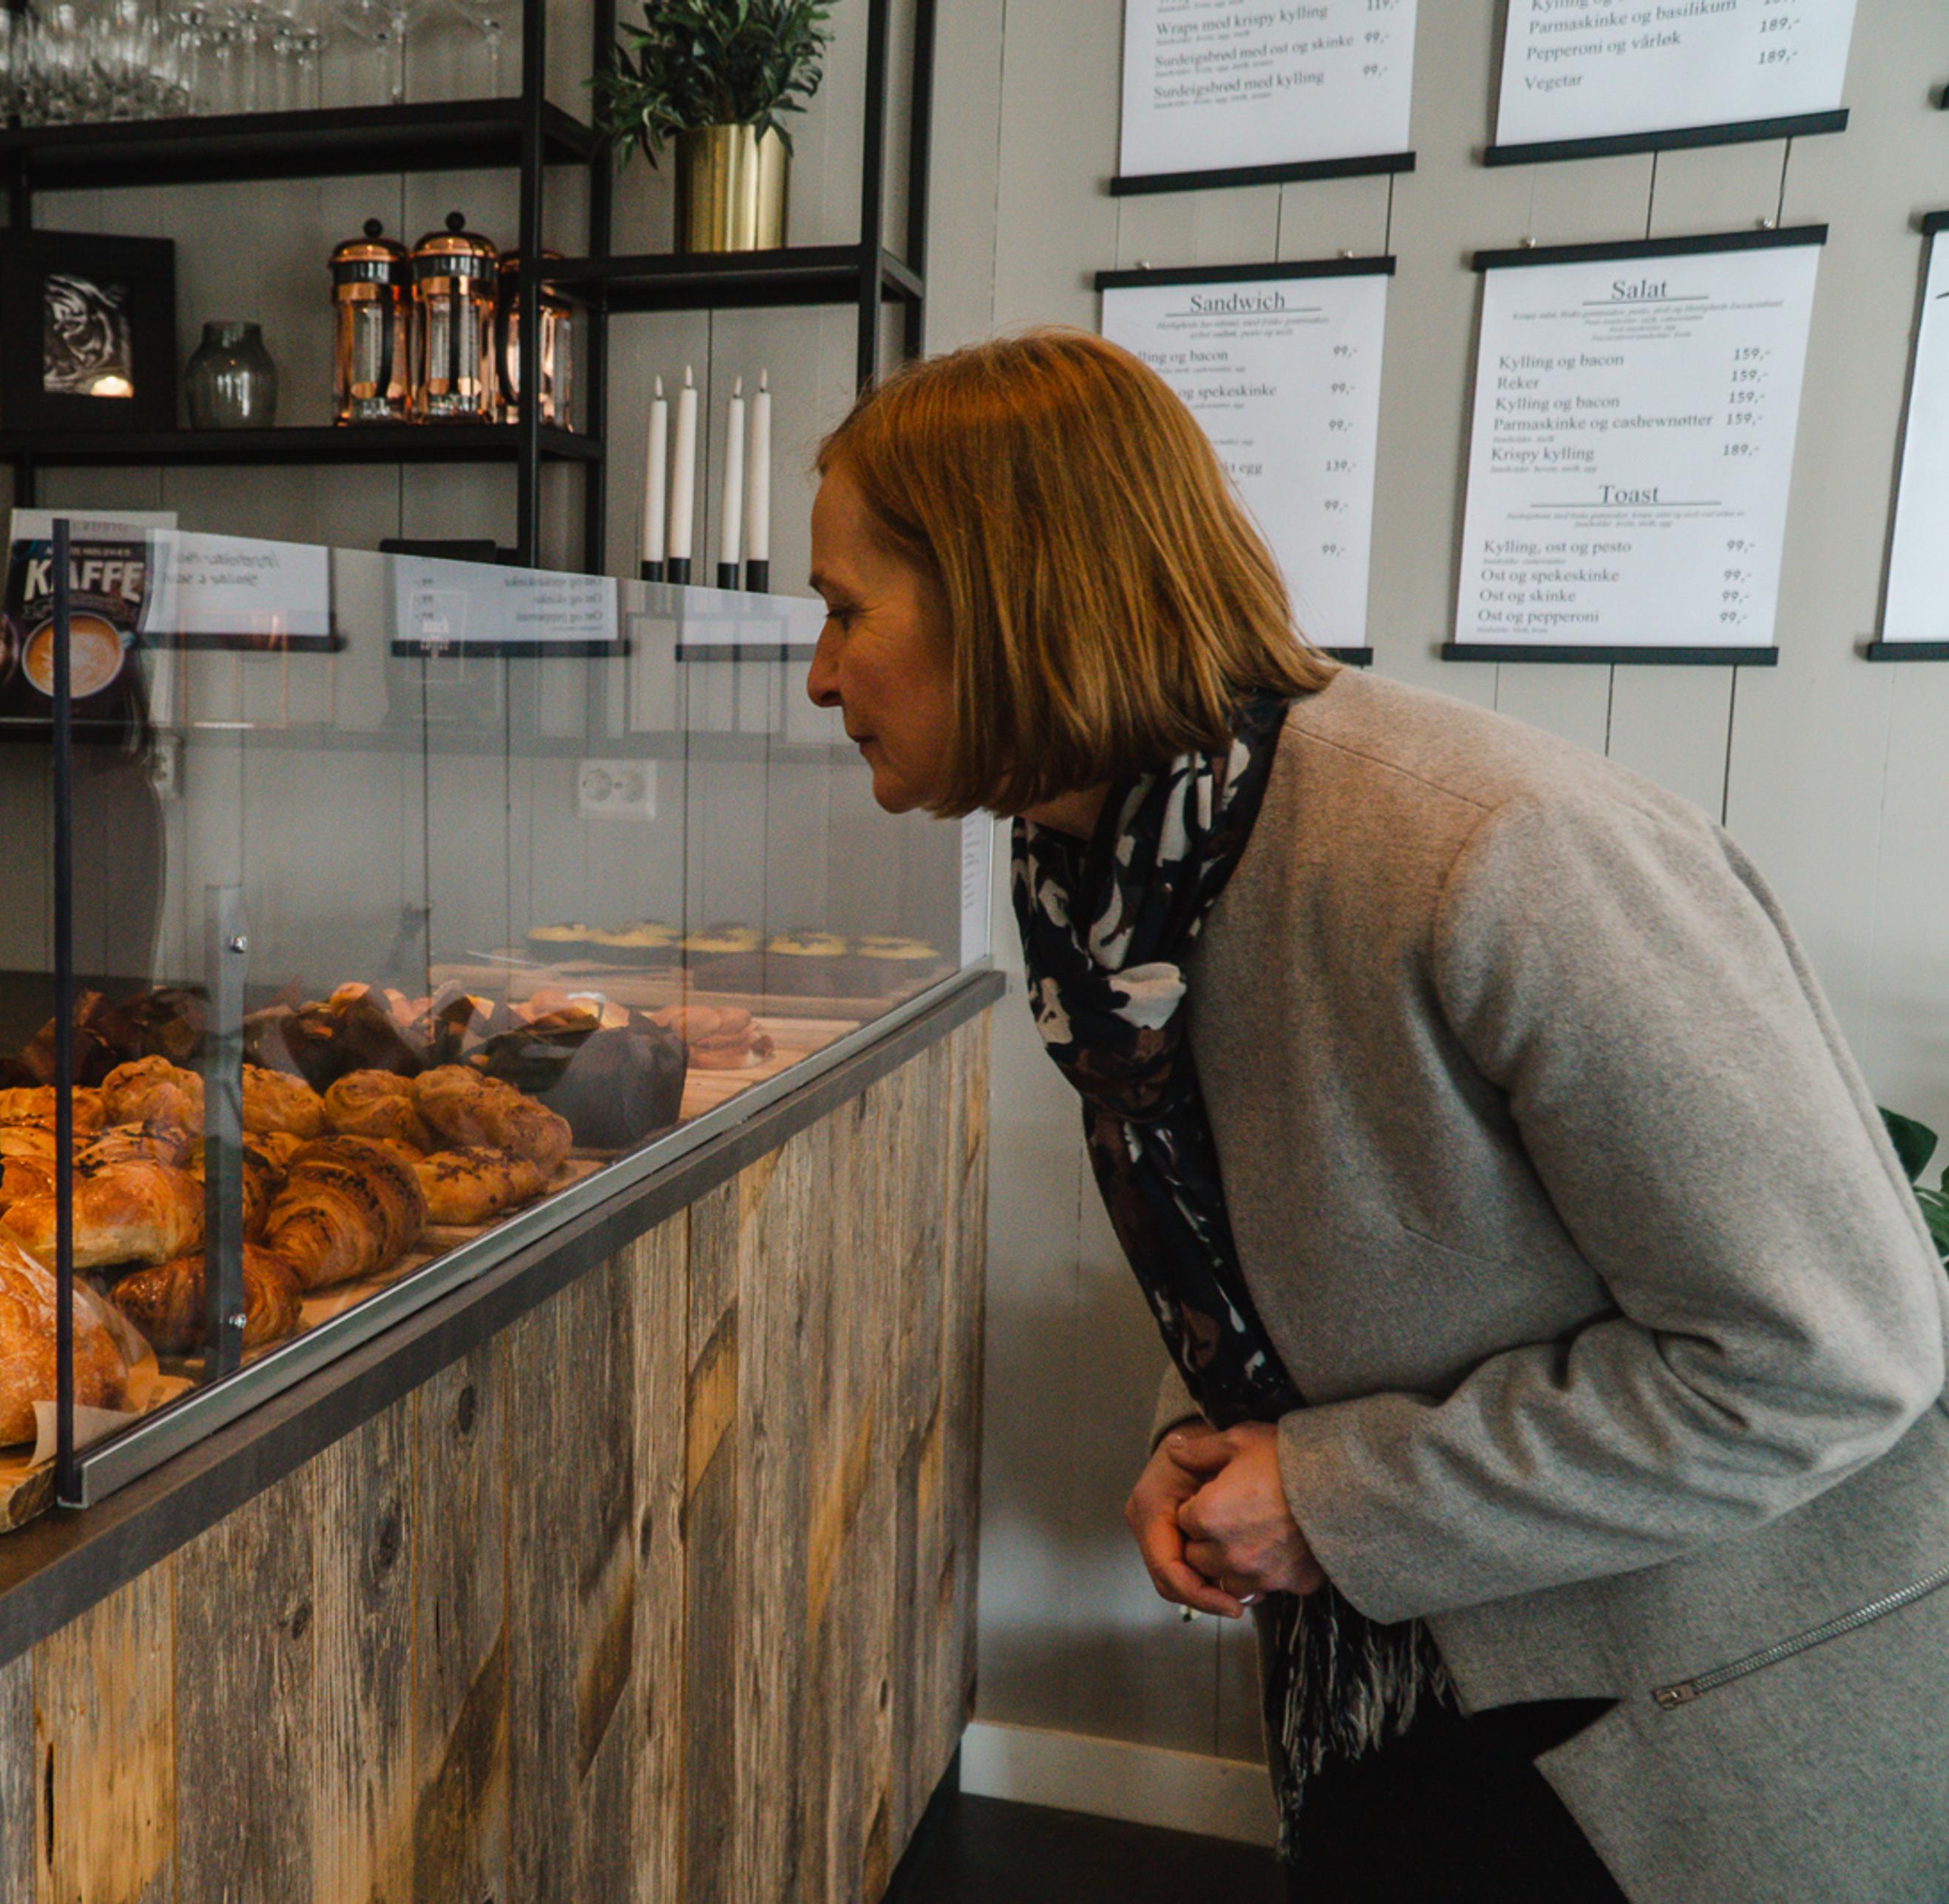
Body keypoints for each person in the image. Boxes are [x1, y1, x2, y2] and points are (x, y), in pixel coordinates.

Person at [803, 329, 1949, 1904]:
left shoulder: (1494, 850)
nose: (818, 670)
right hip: (1395, 1692)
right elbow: (1264, 1223)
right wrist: (1201, 1437)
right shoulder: (1098, 874)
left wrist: (1338, 1495)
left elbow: (1834, 1356)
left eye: (845, 607)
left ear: (1008, 588)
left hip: (1681, 1742)